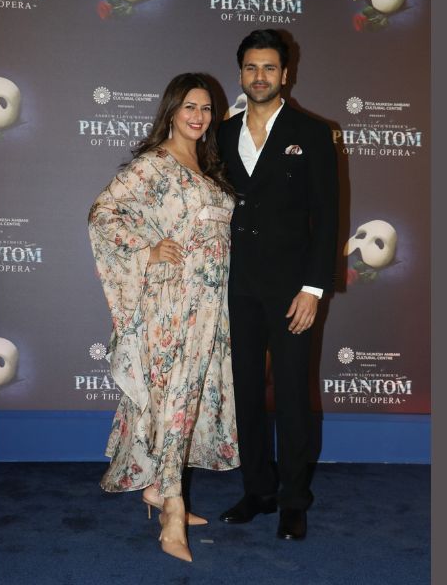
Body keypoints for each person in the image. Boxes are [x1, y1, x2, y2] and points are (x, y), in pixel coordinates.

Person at [88, 73, 240, 562]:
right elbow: (102, 214)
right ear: (171, 110)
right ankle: (173, 510)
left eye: (206, 108)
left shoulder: (208, 166)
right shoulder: (153, 164)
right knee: (175, 399)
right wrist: (147, 249)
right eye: (189, 106)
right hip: (172, 304)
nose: (199, 116)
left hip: (211, 306)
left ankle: (159, 487)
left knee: (186, 399)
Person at [217, 30, 339, 540]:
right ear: (241, 73)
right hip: (236, 285)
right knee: (245, 391)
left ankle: (293, 499)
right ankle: (258, 491)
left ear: (285, 74)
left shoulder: (313, 132)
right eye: (251, 67)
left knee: (290, 393)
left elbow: (327, 217)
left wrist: (313, 289)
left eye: (269, 67)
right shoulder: (222, 133)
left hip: (292, 290)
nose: (259, 76)